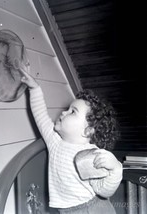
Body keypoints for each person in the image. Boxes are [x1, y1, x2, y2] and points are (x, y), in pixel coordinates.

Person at [19, 64, 123, 214]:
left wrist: (115, 169)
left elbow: (105, 192)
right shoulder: (54, 141)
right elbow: (40, 114)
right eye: (67, 109)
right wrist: (34, 88)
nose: (63, 113)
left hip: (92, 209)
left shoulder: (91, 154)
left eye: (72, 112)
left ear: (87, 130)